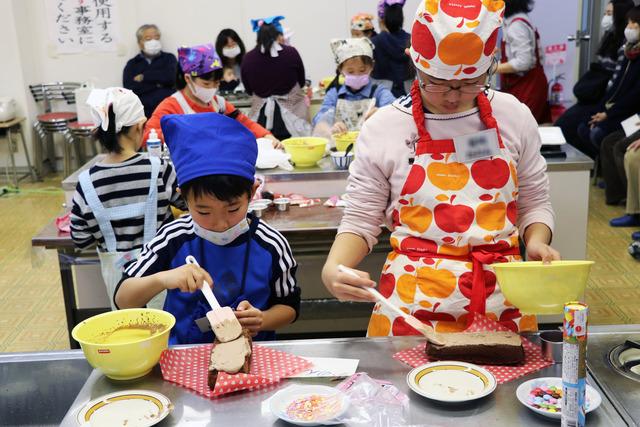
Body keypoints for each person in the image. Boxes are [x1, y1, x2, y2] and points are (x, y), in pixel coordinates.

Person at [321, 1, 559, 336]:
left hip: (500, 300)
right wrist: (333, 267)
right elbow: (361, 219)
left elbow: (535, 202)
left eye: (471, 83)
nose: (452, 96)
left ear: (490, 67)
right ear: (413, 62)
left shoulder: (514, 116)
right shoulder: (385, 127)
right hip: (412, 304)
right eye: (436, 82)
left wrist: (535, 239)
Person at [115, 113, 300, 345]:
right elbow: (124, 299)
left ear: (252, 193)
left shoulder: (271, 244)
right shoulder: (174, 238)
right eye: (203, 212)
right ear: (184, 198)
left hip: (253, 357)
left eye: (233, 209)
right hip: (183, 357)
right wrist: (164, 279)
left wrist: (262, 318)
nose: (220, 223)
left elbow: (290, 307)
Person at [70, 88, 185, 310]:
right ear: (139, 127)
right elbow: (188, 203)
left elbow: (81, 238)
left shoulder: (86, 183)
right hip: (163, 276)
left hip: (120, 289)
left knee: (132, 335)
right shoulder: (159, 169)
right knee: (167, 334)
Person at [144, 44, 280, 148]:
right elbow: (147, 137)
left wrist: (267, 136)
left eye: (217, 83)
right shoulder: (172, 105)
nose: (212, 89)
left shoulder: (219, 104)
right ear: (188, 78)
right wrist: (188, 133)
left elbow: (245, 123)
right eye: (206, 84)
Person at [556, 0, 634, 150]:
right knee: (563, 123)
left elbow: (616, 83)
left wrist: (603, 107)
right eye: (605, 13)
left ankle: (586, 167)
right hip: (594, 96)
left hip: (603, 99)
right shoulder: (609, 38)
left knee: (574, 125)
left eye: (610, 14)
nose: (605, 18)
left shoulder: (625, 47)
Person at [575, 6, 640, 159]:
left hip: (631, 113)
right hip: (617, 109)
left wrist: (608, 114)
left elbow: (635, 96)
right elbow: (616, 86)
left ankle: (610, 176)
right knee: (584, 125)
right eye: (628, 23)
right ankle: (603, 169)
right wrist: (601, 110)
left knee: (600, 135)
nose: (629, 28)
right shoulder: (629, 52)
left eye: (634, 24)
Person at [242, 16, 311, 140]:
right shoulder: (291, 53)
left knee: (266, 153)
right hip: (292, 116)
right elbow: (301, 82)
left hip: (261, 119)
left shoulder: (248, 58)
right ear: (278, 35)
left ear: (258, 36)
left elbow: (249, 89)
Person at [312, 38, 395, 139]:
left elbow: (395, 110)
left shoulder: (379, 92)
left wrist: (382, 113)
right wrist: (328, 127)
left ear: (371, 67)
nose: (357, 75)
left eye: (362, 70)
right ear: (341, 70)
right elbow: (322, 117)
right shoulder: (335, 94)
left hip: (371, 147)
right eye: (350, 72)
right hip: (341, 148)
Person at [496, 0, 550, 123]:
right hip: (524, 83)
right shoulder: (515, 21)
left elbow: (524, 62)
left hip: (529, 86)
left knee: (520, 126)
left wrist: (494, 68)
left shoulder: (517, 25)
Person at [123, 24, 177, 118]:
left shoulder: (169, 58)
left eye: (156, 38)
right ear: (140, 43)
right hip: (142, 115)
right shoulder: (132, 64)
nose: (153, 42)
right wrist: (159, 84)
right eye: (148, 39)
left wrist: (145, 77)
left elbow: (173, 78)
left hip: (169, 112)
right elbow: (130, 89)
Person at [371, 1, 414, 97]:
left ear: (382, 20)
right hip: (409, 95)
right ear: (402, 19)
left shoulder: (374, 42)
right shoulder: (412, 41)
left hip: (381, 95)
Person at [215, 29, 246, 93]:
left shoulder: (246, 63)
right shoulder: (216, 67)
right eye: (227, 46)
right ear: (220, 48)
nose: (231, 48)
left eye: (234, 44)